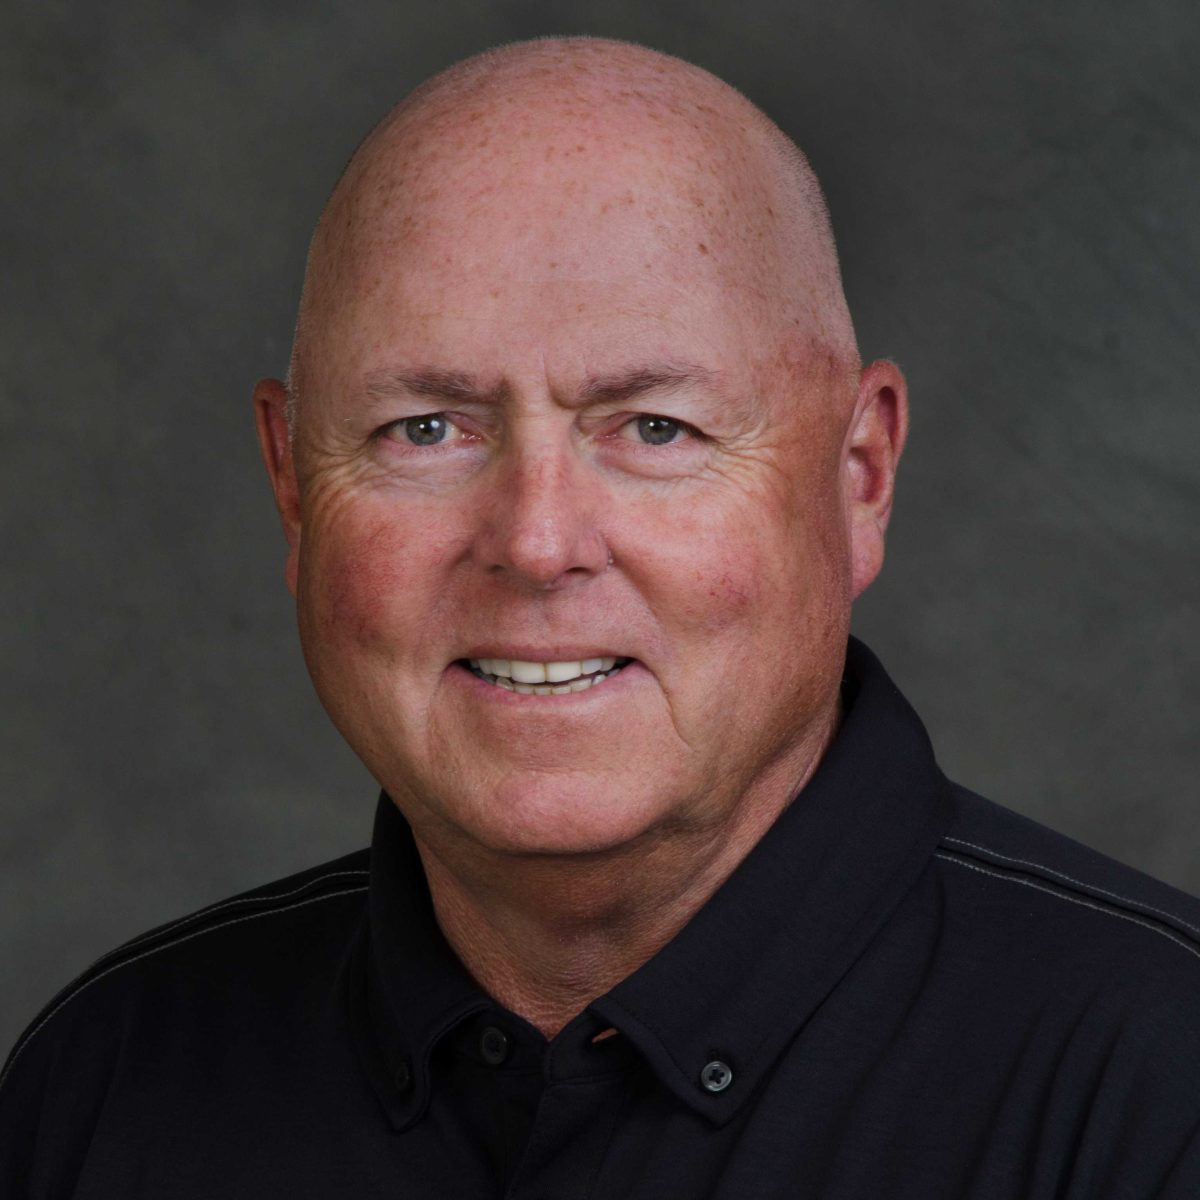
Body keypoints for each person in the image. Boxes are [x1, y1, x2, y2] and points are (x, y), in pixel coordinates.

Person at [3, 36, 1198, 1198]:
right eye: (426, 429)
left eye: (655, 429)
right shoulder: (102, 1093)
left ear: (860, 474)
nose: (534, 543)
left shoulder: (1159, 1096)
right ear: (291, 486)